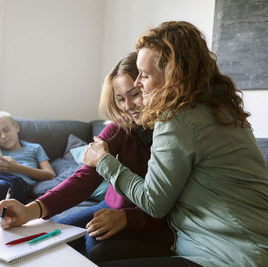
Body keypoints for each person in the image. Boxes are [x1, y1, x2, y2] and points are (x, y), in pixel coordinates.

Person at [83, 21, 268, 267]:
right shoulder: (220, 107)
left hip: (228, 255)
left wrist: (104, 162)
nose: (137, 82)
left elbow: (153, 202)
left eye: (145, 75)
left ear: (173, 76)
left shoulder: (177, 117)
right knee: (99, 254)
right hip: (231, 243)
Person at [0, 53, 172, 263]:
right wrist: (29, 211)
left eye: (135, 94)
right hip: (111, 206)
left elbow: (171, 203)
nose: (128, 106)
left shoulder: (171, 135)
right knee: (52, 237)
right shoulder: (121, 126)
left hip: (149, 219)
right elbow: (84, 178)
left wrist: (128, 218)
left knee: (93, 246)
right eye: (121, 98)